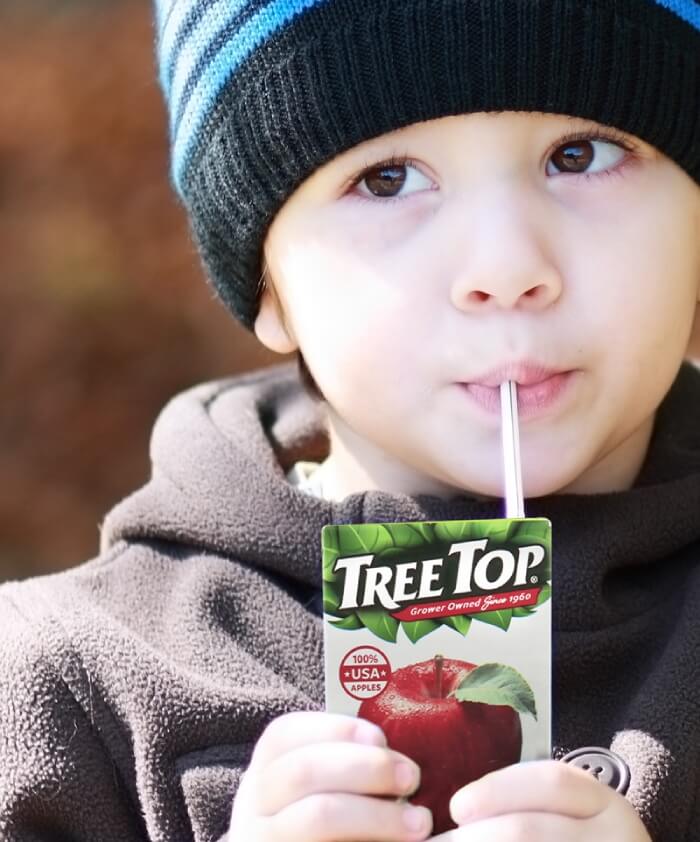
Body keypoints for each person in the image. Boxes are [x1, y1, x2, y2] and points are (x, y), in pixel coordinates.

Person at [1, 0, 698, 840]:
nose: (507, 266)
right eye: (387, 179)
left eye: (578, 155)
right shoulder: (69, 686)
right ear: (266, 284)